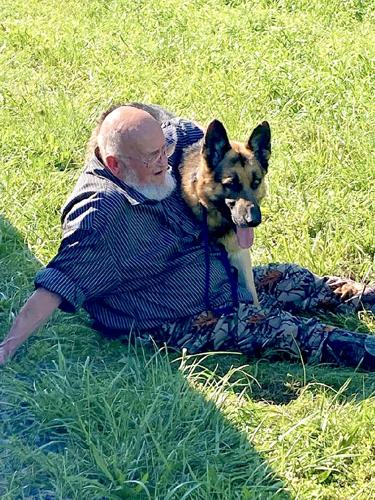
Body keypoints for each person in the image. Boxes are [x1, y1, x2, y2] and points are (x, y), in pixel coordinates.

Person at [0, 104, 374, 369]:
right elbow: (55, 284)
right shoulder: (102, 213)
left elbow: (192, 137)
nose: (164, 160)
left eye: (162, 149)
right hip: (177, 318)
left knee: (294, 278)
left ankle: (365, 297)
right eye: (151, 158)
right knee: (276, 328)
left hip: (219, 276)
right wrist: (7, 347)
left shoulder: (166, 147)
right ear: (116, 165)